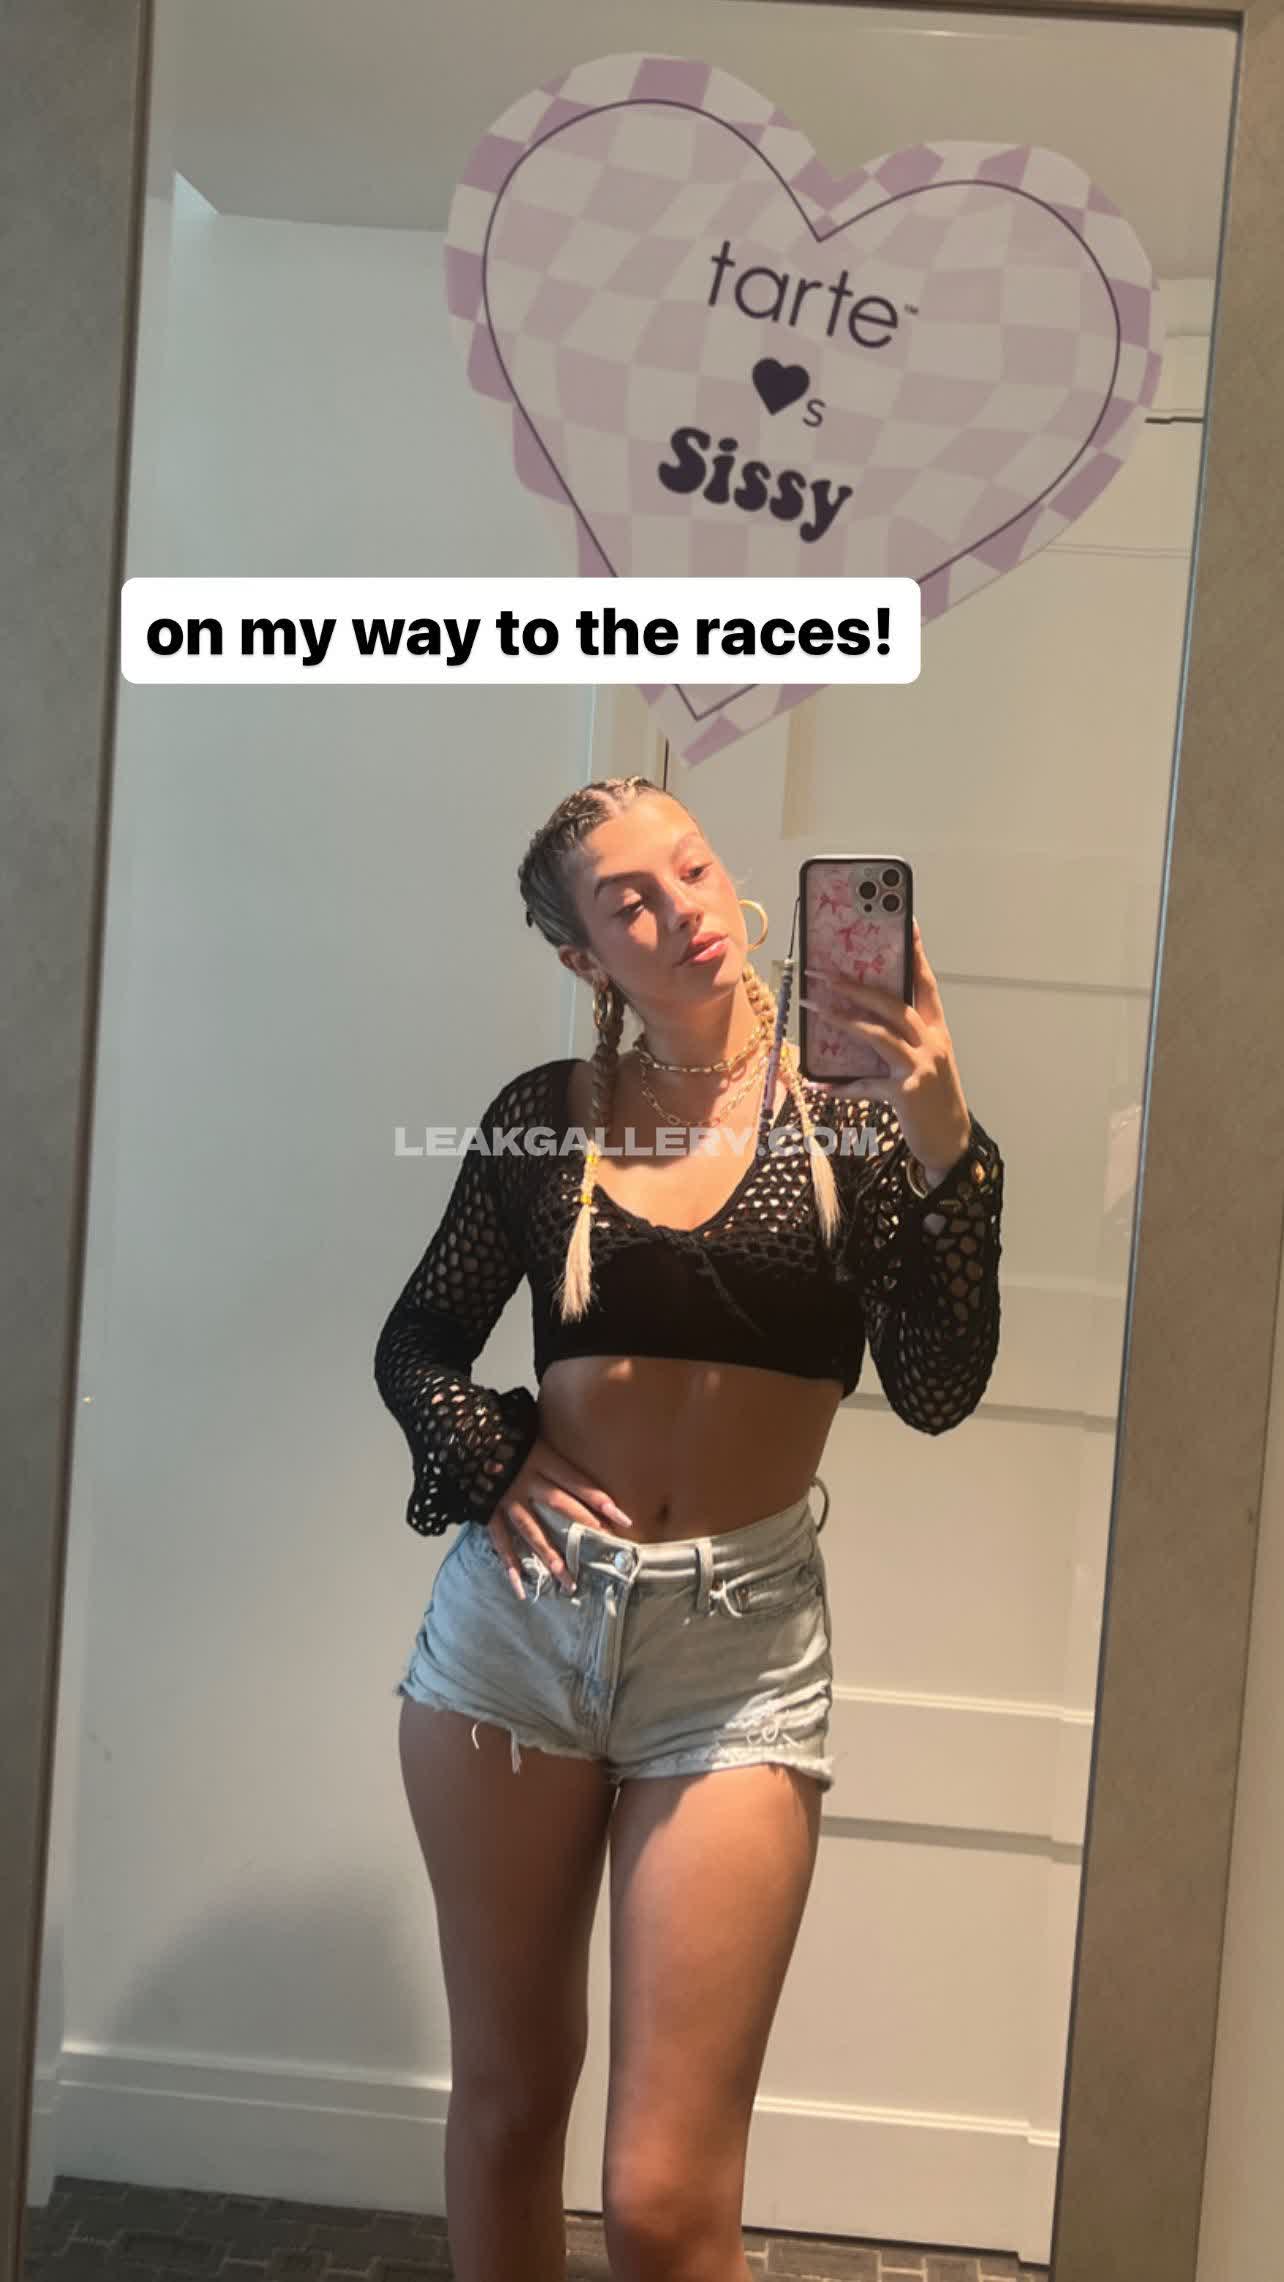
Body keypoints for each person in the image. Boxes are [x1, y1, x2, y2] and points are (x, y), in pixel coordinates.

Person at [374, 775, 1003, 2282]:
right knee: (509, 2103)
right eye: (631, 903)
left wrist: (944, 1144)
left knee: (663, 2198)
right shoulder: (547, 1120)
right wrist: (500, 1459)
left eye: (695, 870)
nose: (685, 912)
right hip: (514, 1640)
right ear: (585, 956)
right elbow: (418, 1347)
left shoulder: (853, 1122)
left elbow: (936, 1385)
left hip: (736, 1653)